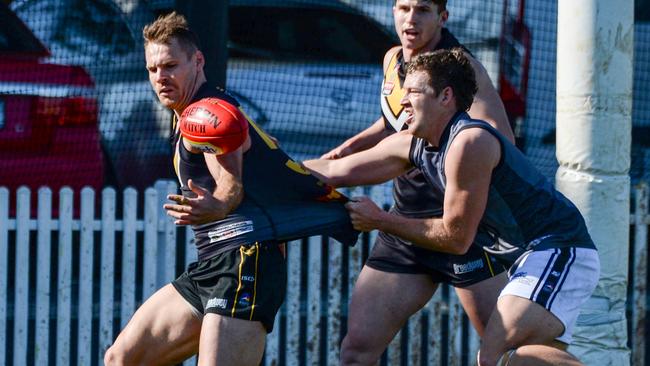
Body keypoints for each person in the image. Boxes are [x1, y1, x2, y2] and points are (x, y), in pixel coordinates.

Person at [303, 48, 600, 365]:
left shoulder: (469, 142)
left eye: (414, 92)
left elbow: (456, 238)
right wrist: (264, 164)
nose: (402, 101)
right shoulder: (412, 143)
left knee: (496, 354)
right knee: (523, 357)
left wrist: (380, 220)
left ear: (445, 96)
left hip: (558, 249)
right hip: (530, 258)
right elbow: (335, 171)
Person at [104, 12, 357, 366]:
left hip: (245, 261)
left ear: (198, 61)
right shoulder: (193, 112)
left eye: (171, 65)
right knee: (122, 358)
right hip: (214, 264)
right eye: (152, 70)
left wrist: (219, 206)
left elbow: (230, 186)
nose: (161, 77)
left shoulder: (207, 116)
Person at [319, 1, 513, 363]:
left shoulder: (460, 67)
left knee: (501, 353)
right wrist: (355, 146)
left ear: (443, 17)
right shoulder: (393, 59)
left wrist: (451, 159)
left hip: (464, 231)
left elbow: (500, 140)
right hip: (406, 225)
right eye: (403, 7)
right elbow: (393, 122)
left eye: (423, 9)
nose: (411, 19)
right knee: (355, 351)